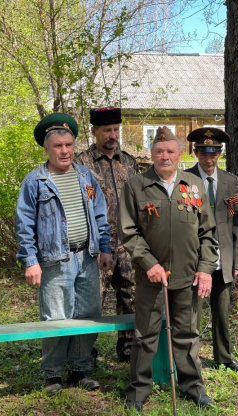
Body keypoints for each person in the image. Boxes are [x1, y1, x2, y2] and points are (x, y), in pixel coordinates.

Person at [118, 126, 219, 412]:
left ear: (180, 154)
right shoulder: (136, 186)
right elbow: (128, 232)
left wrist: (205, 269)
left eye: (170, 152)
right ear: (151, 154)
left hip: (189, 277)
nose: (165, 156)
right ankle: (137, 391)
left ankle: (193, 388)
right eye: (159, 151)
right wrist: (149, 263)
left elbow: (207, 233)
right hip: (152, 277)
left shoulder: (193, 185)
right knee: (145, 335)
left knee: (187, 334)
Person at [15, 113, 112, 395]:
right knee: (56, 317)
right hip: (55, 260)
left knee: (88, 314)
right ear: (46, 149)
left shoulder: (85, 176)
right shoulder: (35, 181)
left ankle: (81, 369)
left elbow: (100, 215)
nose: (65, 150)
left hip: (88, 257)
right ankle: (53, 374)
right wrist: (30, 260)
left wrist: (105, 247)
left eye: (68, 144)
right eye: (58, 145)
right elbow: (24, 224)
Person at [76, 107, 139, 362]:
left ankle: (129, 352)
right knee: (92, 304)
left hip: (127, 244)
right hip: (95, 247)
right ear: (94, 132)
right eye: (106, 130)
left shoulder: (129, 162)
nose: (113, 135)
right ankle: (84, 357)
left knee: (131, 298)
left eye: (115, 130)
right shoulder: (82, 164)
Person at [186, 127, 238, 372]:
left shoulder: (230, 182)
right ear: (195, 153)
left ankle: (224, 356)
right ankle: (190, 359)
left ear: (220, 154)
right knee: (193, 313)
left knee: (222, 311)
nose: (208, 159)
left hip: (223, 258)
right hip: (195, 258)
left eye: (213, 154)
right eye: (203, 154)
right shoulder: (186, 180)